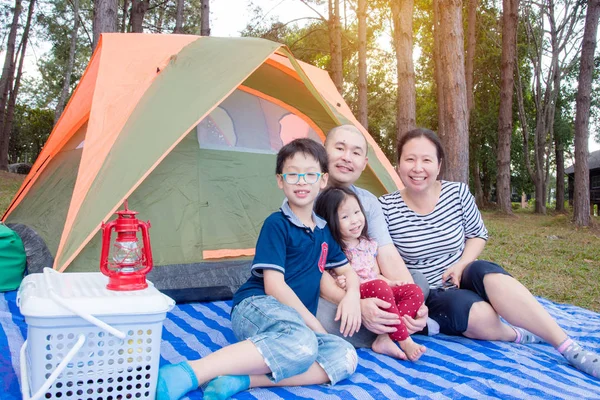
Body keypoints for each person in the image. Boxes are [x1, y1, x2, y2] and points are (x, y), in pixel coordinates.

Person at [379, 127, 599, 379]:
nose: (418, 168)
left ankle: (570, 348)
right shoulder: (386, 207)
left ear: (439, 166)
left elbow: (477, 234)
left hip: (462, 272)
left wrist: (462, 264)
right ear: (398, 165)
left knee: (488, 272)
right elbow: (385, 258)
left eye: (426, 159)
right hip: (430, 291)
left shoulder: (457, 193)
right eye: (410, 159)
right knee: (481, 316)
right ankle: (518, 334)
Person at [156, 138, 363, 400]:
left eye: (310, 175)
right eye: (293, 174)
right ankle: (190, 372)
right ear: (280, 180)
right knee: (303, 342)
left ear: (323, 180)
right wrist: (313, 323)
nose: (301, 181)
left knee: (345, 356)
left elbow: (348, 272)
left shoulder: (323, 231)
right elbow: (274, 286)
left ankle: (243, 380)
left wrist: (353, 295)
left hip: (295, 322)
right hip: (257, 306)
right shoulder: (276, 225)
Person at [317, 124, 430, 360]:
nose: (347, 158)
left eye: (356, 152)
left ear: (365, 163)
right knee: (316, 314)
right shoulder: (306, 194)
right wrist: (355, 302)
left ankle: (386, 332)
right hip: (329, 292)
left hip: (370, 284)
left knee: (418, 283)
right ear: (323, 150)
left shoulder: (367, 201)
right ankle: (393, 329)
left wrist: (416, 304)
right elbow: (310, 270)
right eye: (339, 148)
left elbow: (386, 252)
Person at [315, 186, 426, 361]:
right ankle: (405, 340)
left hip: (379, 292)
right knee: (379, 286)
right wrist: (341, 284)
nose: (354, 221)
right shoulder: (334, 251)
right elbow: (329, 279)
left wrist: (391, 283)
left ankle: (385, 337)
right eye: (345, 217)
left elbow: (374, 273)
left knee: (415, 290)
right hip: (355, 295)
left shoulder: (368, 244)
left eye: (357, 212)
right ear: (330, 222)